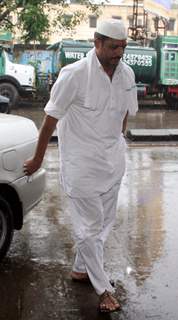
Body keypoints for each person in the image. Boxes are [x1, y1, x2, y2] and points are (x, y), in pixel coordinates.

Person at [24, 19, 138, 312]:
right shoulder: (73, 75)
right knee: (88, 228)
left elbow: (125, 112)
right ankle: (104, 290)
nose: (118, 53)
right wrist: (38, 158)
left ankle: (80, 268)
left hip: (112, 162)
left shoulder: (127, 74)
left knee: (102, 223)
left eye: (123, 47)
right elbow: (50, 120)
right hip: (81, 165)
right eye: (113, 47)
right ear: (97, 43)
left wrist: (119, 141)